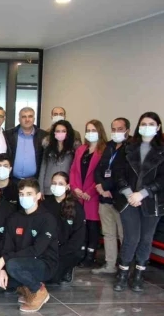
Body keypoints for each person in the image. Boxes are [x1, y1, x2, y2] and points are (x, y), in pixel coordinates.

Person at [113, 112, 164, 292]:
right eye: (143, 124)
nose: (147, 127)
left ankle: (139, 275)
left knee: (146, 238)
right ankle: (122, 274)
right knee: (131, 238)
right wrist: (130, 194)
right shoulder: (128, 147)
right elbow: (118, 173)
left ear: (158, 127)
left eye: (151, 124)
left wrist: (143, 193)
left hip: (152, 201)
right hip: (128, 200)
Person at [0, 178, 59, 313]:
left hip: (43, 263)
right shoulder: (14, 218)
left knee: (12, 265)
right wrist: (2, 267)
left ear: (38, 196)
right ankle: (26, 287)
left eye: (29, 194)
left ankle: (39, 291)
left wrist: (5, 260)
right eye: (21, 194)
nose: (24, 197)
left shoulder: (47, 219)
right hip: (18, 261)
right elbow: (7, 246)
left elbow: (37, 250)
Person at [92, 118, 130, 275]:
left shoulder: (130, 148)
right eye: (113, 129)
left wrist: (106, 186)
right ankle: (110, 265)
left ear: (127, 130)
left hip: (120, 199)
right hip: (104, 197)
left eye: (120, 129)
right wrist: (100, 186)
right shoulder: (109, 146)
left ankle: (125, 267)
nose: (116, 132)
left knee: (124, 234)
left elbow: (124, 174)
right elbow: (98, 169)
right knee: (108, 233)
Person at [69, 120, 107, 268]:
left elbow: (101, 174)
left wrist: (89, 191)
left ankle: (91, 255)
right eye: (88, 130)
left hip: (93, 195)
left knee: (92, 226)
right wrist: (75, 188)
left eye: (93, 130)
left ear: (100, 132)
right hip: (79, 194)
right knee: (81, 225)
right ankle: (81, 252)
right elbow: (73, 170)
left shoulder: (104, 150)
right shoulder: (81, 149)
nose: (90, 133)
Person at [42, 172, 86, 285]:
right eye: (54, 183)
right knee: (43, 275)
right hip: (48, 248)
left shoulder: (76, 207)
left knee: (53, 279)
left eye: (60, 184)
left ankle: (68, 269)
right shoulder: (45, 204)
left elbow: (78, 237)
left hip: (68, 250)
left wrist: (60, 251)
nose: (56, 186)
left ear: (67, 186)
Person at [5, 107, 47, 181]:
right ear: (19, 119)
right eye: (24, 117)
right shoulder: (8, 135)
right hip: (12, 180)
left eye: (30, 116)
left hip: (33, 180)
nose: (27, 119)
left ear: (34, 119)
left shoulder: (43, 136)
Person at [38, 120, 78, 195]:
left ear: (68, 133)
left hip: (66, 188)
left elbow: (75, 171)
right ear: (54, 133)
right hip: (49, 188)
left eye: (63, 131)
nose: (60, 133)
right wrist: (41, 190)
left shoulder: (73, 150)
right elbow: (43, 169)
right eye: (58, 131)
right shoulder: (48, 148)